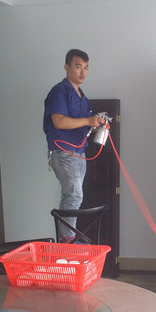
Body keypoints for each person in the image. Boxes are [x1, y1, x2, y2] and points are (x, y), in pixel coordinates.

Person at [43, 49, 105, 241]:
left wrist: (96, 124)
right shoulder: (59, 91)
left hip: (79, 151)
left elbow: (82, 123)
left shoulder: (82, 96)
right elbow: (59, 121)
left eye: (86, 67)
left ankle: (66, 237)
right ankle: (68, 239)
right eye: (78, 67)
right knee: (74, 195)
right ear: (67, 67)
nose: (83, 72)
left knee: (71, 196)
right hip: (63, 151)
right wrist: (88, 121)